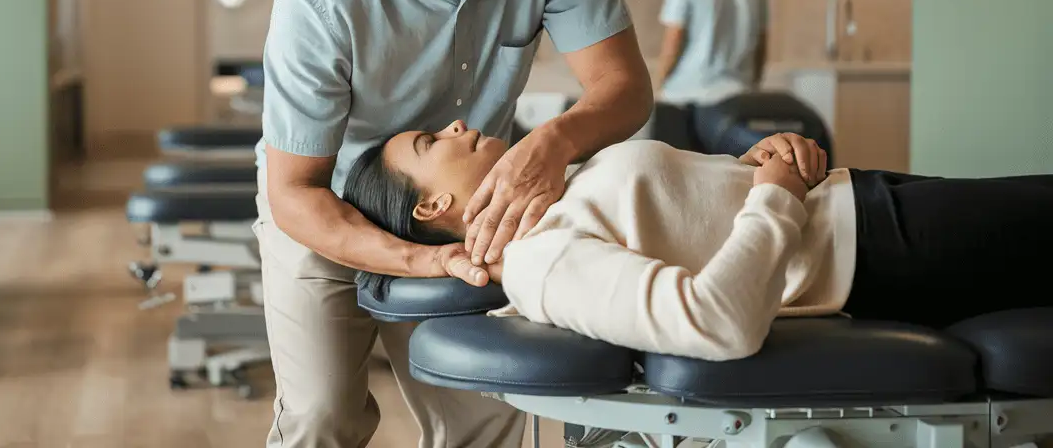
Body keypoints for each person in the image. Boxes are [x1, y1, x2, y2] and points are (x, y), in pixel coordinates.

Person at [255, 0, 653, 448]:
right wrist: (416, 262)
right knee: (322, 416)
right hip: (324, 204)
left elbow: (624, 88)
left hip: (467, 212)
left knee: (485, 414)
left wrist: (553, 141)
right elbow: (293, 191)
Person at [344, 120, 1053, 362]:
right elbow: (716, 321)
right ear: (435, 204)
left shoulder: (552, 202)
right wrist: (776, 193)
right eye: (434, 141)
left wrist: (756, 162)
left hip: (861, 203)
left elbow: (693, 219)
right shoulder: (541, 263)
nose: (461, 127)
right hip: (879, 250)